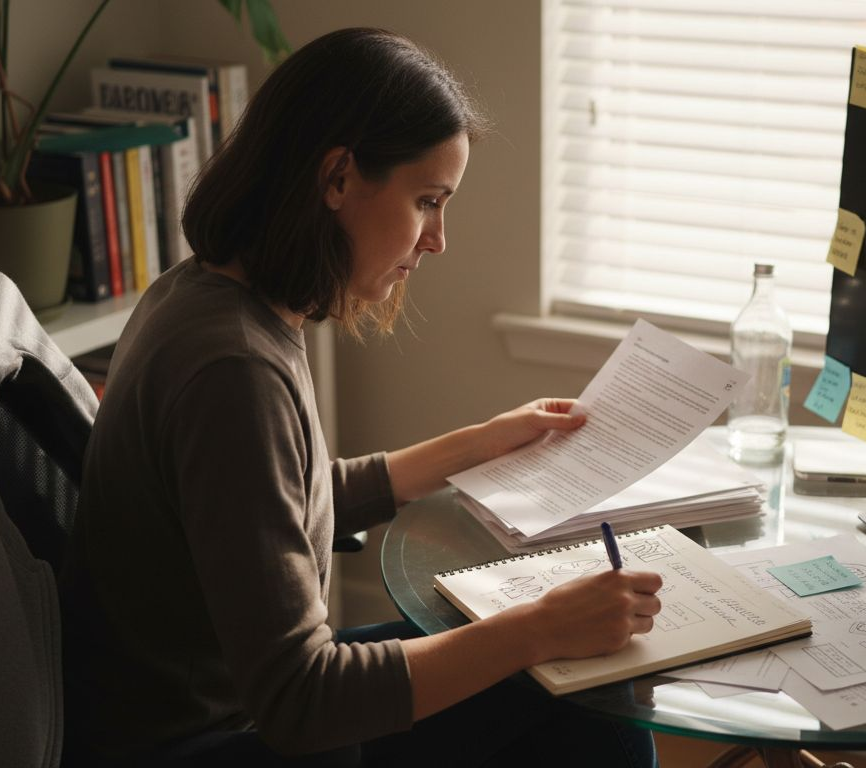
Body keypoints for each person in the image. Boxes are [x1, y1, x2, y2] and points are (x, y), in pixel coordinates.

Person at [59, 27, 664, 767]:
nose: (438, 239)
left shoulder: (207, 297)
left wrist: (481, 443)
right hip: (213, 741)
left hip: (231, 712)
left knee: (533, 652)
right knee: (580, 688)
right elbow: (303, 700)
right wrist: (537, 628)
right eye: (428, 200)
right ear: (338, 178)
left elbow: (280, 501)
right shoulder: (233, 368)